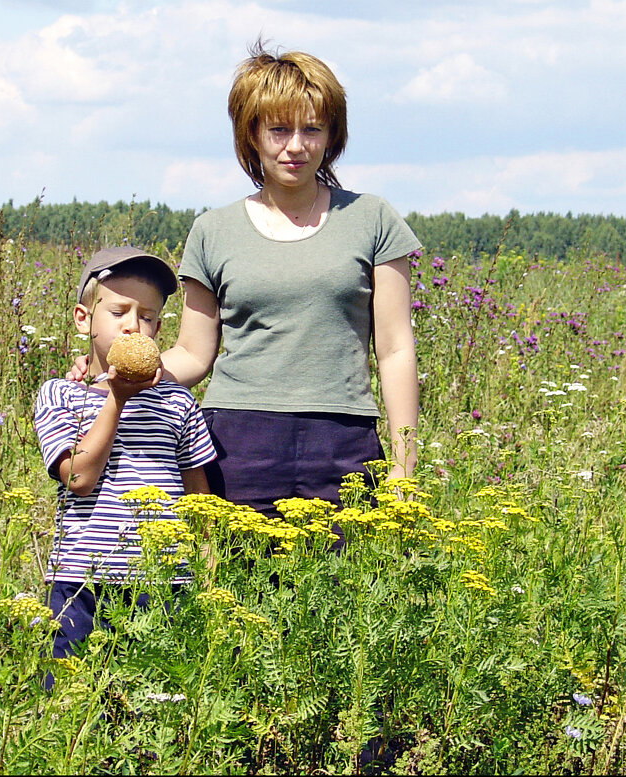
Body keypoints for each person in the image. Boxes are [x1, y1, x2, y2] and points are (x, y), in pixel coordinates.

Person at [71, 40, 420, 542]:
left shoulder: (373, 219)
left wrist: (404, 465)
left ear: (331, 135)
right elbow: (193, 352)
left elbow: (394, 347)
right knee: (243, 598)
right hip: (239, 442)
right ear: (251, 134)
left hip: (343, 439)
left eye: (312, 128)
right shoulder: (214, 230)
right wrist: (118, 370)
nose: (295, 146)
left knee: (350, 602)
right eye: (279, 129)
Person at [33, 246, 217, 676]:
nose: (134, 325)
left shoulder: (177, 401)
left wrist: (206, 568)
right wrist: (116, 398)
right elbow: (77, 476)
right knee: (69, 705)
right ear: (83, 319)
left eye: (149, 316)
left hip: (165, 580)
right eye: (119, 311)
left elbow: (199, 499)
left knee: (156, 710)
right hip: (81, 581)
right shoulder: (62, 395)